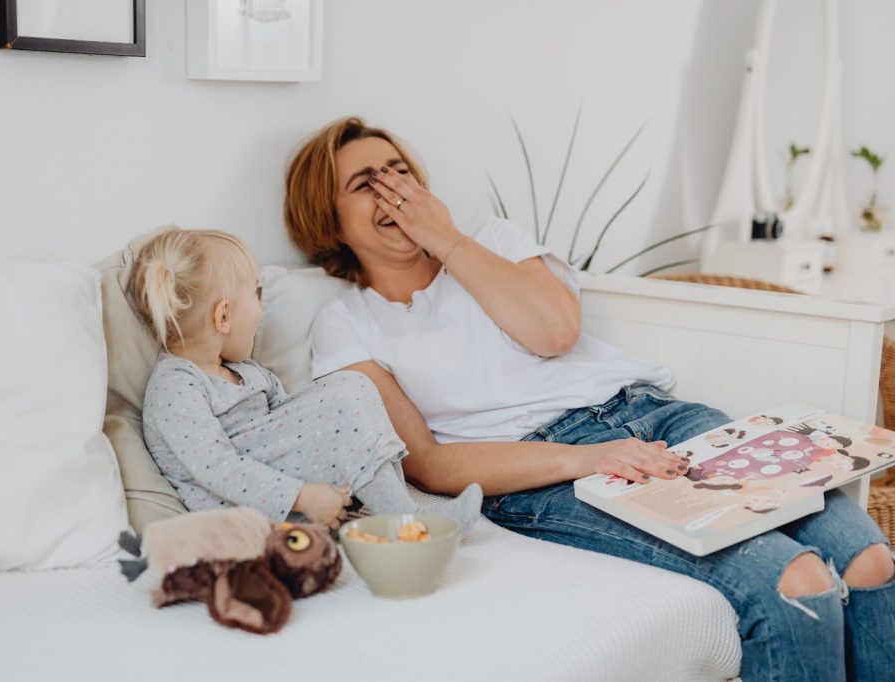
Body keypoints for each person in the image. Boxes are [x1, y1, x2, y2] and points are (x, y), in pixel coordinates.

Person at [283, 116, 895, 680]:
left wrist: (448, 242)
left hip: (654, 415)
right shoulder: (347, 324)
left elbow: (554, 332)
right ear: (328, 221)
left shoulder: (492, 240)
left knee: (868, 559)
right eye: (366, 182)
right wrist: (592, 459)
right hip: (544, 469)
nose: (393, 190)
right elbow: (428, 464)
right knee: (795, 579)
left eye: (400, 172)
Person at [131, 229, 482, 531]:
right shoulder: (176, 386)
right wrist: (301, 496)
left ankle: (387, 507)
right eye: (255, 294)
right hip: (242, 509)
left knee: (353, 385)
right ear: (223, 317)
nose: (260, 307)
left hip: (293, 485)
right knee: (340, 408)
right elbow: (216, 467)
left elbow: (290, 418)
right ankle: (407, 520)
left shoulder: (245, 371)